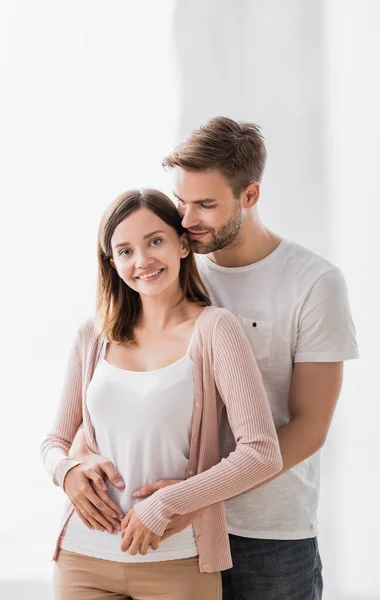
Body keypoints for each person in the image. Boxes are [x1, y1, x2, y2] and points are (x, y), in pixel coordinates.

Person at [69, 117, 359, 599]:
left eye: (205, 205)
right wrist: (75, 463)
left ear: (250, 196)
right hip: (165, 533)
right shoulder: (169, 265)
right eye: (182, 203)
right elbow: (115, 387)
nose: (186, 219)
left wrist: (193, 496)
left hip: (266, 534)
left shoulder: (313, 283)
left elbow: (310, 427)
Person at [40, 188, 283, 600]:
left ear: (183, 244)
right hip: (82, 560)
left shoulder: (215, 330)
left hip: (178, 561)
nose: (143, 261)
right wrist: (67, 474)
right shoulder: (92, 336)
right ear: (112, 263)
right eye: (126, 251)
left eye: (155, 241)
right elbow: (54, 442)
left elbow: (261, 453)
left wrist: (165, 504)